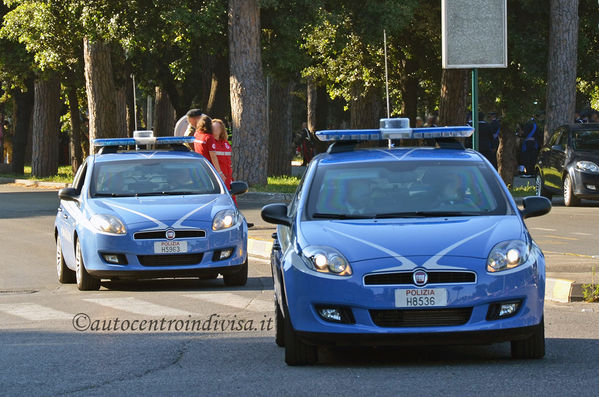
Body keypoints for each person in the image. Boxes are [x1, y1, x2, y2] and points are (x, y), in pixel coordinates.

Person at [193, 114, 225, 180]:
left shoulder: (196, 134)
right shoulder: (209, 137)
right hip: (207, 166)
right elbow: (213, 156)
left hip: (198, 164)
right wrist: (219, 172)